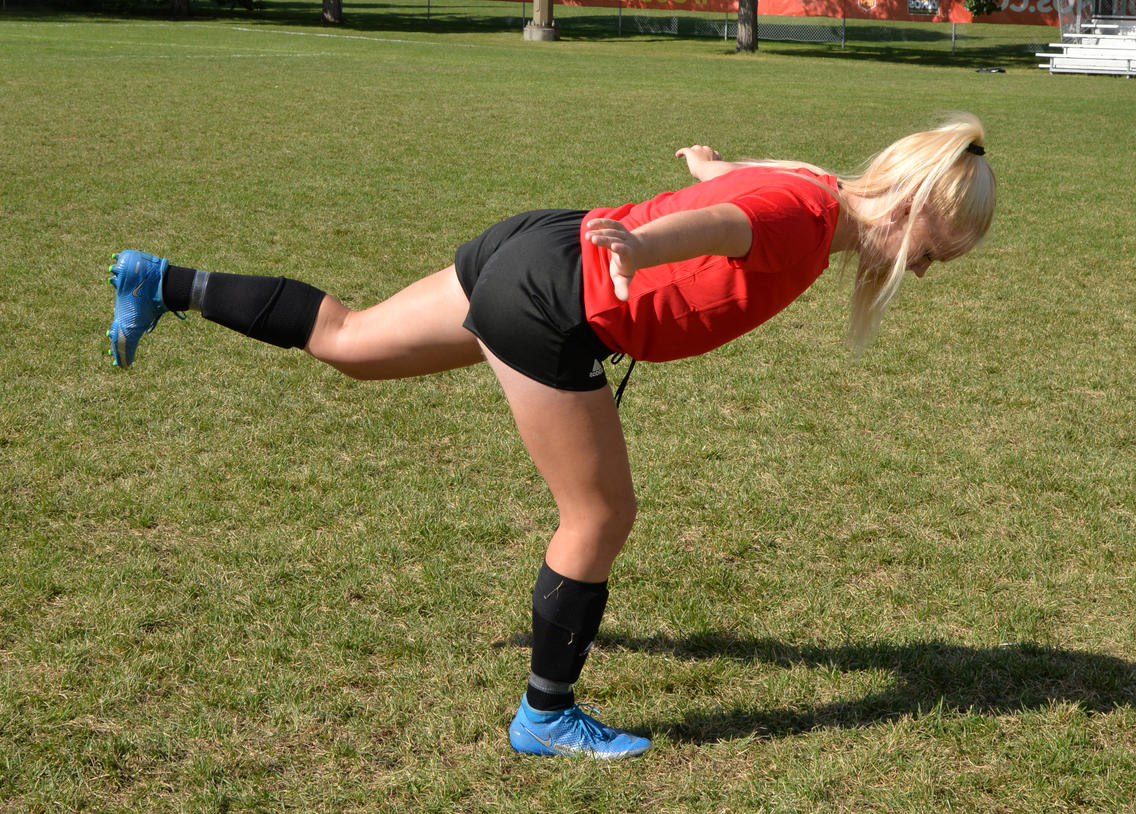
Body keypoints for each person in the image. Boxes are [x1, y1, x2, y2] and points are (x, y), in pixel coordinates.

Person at [104, 113, 995, 759]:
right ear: (909, 206)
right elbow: (729, 223)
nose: (924, 271)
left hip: (535, 246)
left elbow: (738, 185)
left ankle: (163, 282)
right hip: (559, 298)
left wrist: (705, 164)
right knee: (600, 515)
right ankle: (547, 714)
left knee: (352, 342)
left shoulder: (814, 184)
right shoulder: (805, 221)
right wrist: (644, 247)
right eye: (933, 252)